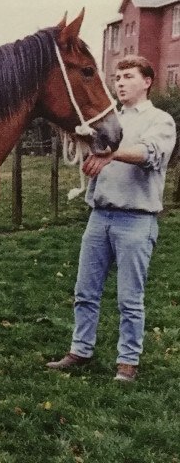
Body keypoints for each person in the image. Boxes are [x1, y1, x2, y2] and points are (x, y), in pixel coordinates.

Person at [47, 55, 177, 382]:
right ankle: (81, 350)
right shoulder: (108, 119)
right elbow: (90, 152)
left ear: (146, 81)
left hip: (136, 220)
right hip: (99, 217)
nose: (120, 83)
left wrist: (110, 154)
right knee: (85, 291)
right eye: (117, 77)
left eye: (128, 76)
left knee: (129, 298)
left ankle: (127, 363)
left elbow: (150, 154)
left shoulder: (159, 120)